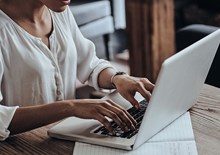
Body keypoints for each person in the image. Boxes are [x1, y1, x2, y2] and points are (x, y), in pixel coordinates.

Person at [0, 0, 154, 141]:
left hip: (65, 135)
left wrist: (117, 78)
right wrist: (71, 107)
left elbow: (89, 64)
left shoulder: (59, 11)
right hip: (22, 143)